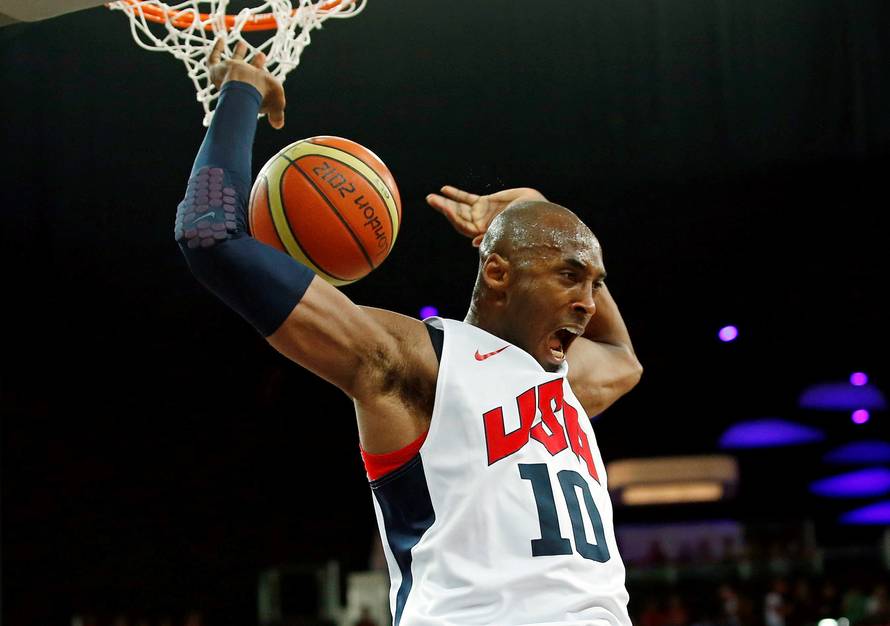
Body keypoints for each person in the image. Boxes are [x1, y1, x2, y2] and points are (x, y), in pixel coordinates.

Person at [176, 39, 642, 626]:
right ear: (497, 273)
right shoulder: (420, 361)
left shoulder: (565, 381)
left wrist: (537, 208)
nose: (587, 303)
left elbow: (625, 359)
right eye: (569, 277)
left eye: (597, 285)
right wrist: (241, 93)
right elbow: (210, 237)